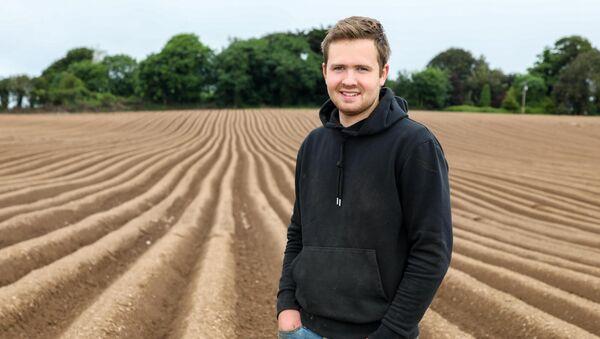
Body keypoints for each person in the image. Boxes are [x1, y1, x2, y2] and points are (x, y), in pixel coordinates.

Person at [276, 16, 452, 339]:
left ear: (383, 74)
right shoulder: (313, 146)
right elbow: (298, 233)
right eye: (339, 68)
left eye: (362, 69)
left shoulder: (415, 146)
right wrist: (286, 304)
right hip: (304, 330)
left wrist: (392, 332)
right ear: (324, 71)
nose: (349, 80)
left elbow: (432, 250)